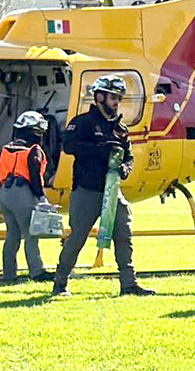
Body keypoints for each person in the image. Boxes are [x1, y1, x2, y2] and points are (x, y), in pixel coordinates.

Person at [53, 75, 154, 297]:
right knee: (77, 237)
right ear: (99, 97)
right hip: (86, 190)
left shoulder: (120, 127)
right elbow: (69, 146)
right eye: (113, 97)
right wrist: (100, 148)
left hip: (112, 191)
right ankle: (60, 284)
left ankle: (129, 284)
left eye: (119, 98)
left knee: (124, 233)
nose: (117, 102)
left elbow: (128, 156)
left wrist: (125, 169)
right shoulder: (82, 123)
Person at [0, 111, 55, 284]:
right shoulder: (33, 150)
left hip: (5, 193)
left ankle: (9, 274)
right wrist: (42, 197)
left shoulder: (6, 149)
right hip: (22, 192)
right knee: (31, 234)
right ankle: (37, 272)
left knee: (12, 235)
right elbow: (35, 175)